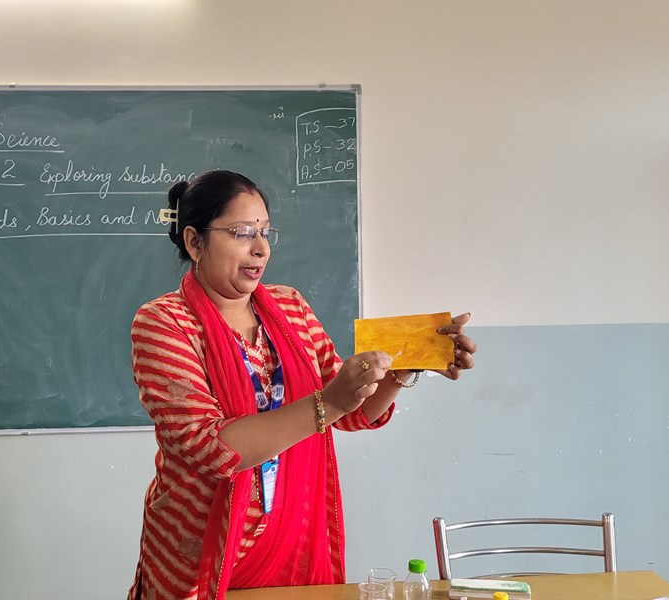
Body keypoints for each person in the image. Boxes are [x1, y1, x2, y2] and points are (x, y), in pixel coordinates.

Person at [127, 170, 477, 600]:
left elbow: (349, 413)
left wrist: (404, 369)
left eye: (264, 232)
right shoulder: (164, 323)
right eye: (241, 233)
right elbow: (207, 446)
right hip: (202, 551)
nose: (260, 248)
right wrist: (329, 403)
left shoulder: (290, 307)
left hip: (293, 541)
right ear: (195, 242)